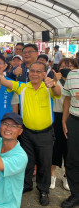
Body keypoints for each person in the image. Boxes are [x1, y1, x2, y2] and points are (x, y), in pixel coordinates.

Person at [0, 61, 61, 206]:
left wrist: (53, 84)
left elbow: (58, 92)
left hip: (45, 134)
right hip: (26, 133)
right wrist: (0, 69)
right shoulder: (22, 87)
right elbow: (5, 82)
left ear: (44, 74)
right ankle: (27, 185)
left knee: (44, 163)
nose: (34, 74)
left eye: (38, 71)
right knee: (26, 161)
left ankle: (44, 190)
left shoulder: (48, 87)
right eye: (32, 71)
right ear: (28, 73)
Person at [50, 58, 78, 191]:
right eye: (62, 65)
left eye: (69, 65)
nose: (65, 67)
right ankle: (52, 175)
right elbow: (56, 93)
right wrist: (55, 80)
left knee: (69, 149)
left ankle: (67, 176)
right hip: (57, 114)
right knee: (56, 146)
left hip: (71, 117)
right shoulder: (54, 79)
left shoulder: (75, 80)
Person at [61, 68, 79, 208]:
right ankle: (76, 194)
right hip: (74, 121)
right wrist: (64, 121)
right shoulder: (73, 74)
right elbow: (67, 98)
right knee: (72, 160)